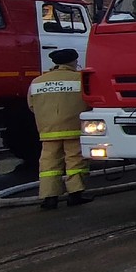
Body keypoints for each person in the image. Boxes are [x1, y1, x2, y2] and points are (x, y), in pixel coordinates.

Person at [28, 48, 92, 210]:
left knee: (48, 164)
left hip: (48, 131)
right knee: (75, 161)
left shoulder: (37, 81)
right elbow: (90, 101)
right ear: (73, 62)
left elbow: (31, 105)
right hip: (74, 129)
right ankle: (75, 194)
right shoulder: (79, 79)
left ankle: (49, 198)